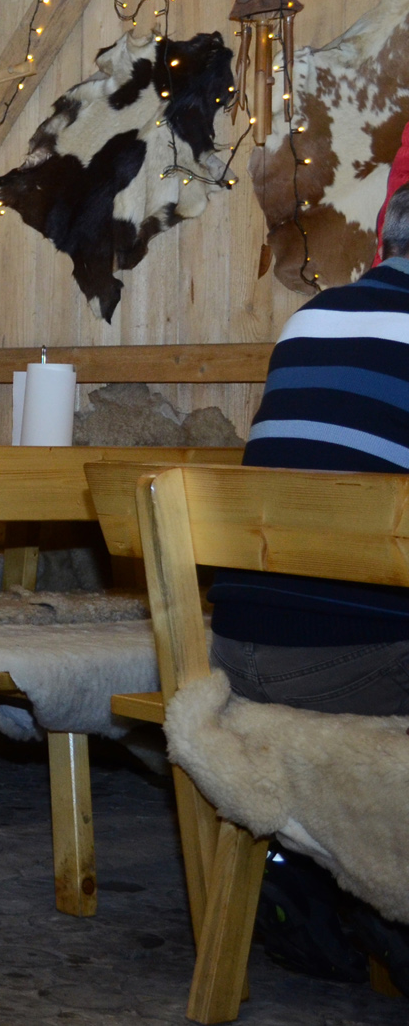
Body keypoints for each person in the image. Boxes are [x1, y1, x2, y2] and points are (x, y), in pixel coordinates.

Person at [209, 181, 409, 989]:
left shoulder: (310, 319)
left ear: (387, 242)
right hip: (351, 665)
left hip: (235, 653)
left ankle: (315, 872)